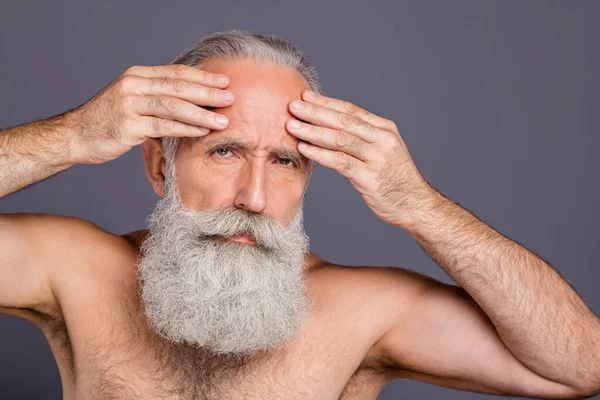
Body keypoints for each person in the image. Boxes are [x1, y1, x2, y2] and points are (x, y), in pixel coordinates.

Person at [0, 29, 598, 400]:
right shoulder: (75, 270)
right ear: (160, 165)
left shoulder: (365, 312)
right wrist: (72, 136)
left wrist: (421, 207)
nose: (254, 197)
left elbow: (580, 368)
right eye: (225, 151)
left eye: (285, 162)